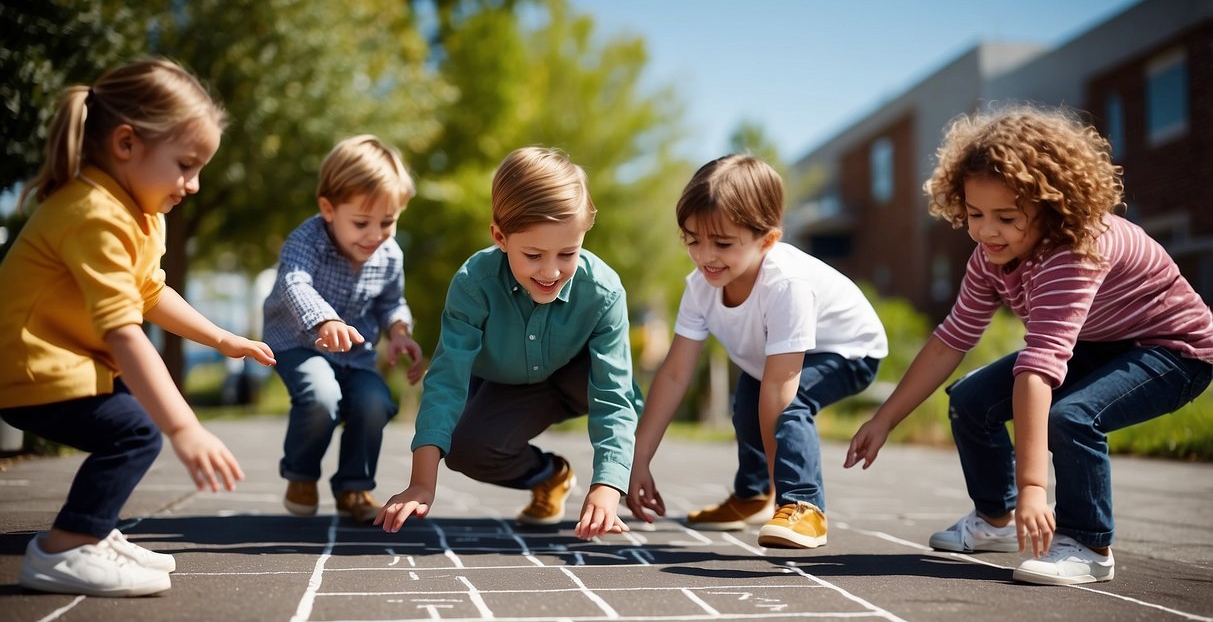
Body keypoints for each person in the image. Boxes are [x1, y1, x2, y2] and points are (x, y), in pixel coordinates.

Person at [845, 105, 1213, 585]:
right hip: (1100, 341)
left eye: (1006, 216)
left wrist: (1034, 488)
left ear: (1051, 206)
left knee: (1072, 416)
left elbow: (1038, 369)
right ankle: (997, 520)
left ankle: (1088, 544)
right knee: (972, 399)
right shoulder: (990, 258)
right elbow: (950, 340)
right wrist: (884, 418)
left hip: (1174, 351)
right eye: (975, 214)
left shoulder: (1075, 252)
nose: (986, 231)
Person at [0, 58, 276, 597]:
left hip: (67, 362)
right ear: (126, 145)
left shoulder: (137, 212)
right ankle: (66, 546)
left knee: (134, 419)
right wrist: (185, 428)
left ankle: (93, 531)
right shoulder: (94, 214)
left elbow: (150, 292)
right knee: (138, 429)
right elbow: (124, 331)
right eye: (185, 165)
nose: (193, 185)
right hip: (30, 366)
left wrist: (221, 339)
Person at [375, 147, 642, 540]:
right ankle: (550, 476)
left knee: (625, 403)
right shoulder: (474, 283)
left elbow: (613, 396)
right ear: (500, 236)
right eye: (533, 254)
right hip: (505, 382)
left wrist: (607, 487)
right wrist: (421, 483)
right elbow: (447, 380)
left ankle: (615, 469)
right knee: (466, 449)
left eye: (568, 253)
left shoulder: (602, 291)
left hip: (576, 380)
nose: (551, 271)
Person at [627, 155, 888, 548]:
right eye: (692, 239)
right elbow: (675, 373)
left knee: (786, 403)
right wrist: (638, 459)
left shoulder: (786, 284)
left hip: (847, 350)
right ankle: (752, 497)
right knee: (747, 405)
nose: (705, 256)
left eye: (723, 243)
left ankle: (803, 507)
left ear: (766, 240)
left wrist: (782, 482)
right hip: (771, 358)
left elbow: (781, 390)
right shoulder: (700, 286)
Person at [261, 135, 425, 524]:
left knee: (374, 402)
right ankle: (301, 475)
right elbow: (294, 283)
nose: (375, 234)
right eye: (361, 222)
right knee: (321, 397)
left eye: (388, 222)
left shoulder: (388, 254)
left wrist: (399, 331)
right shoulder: (307, 240)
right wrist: (326, 319)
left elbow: (390, 302)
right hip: (300, 343)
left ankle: (354, 485)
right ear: (328, 209)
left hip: (356, 354)